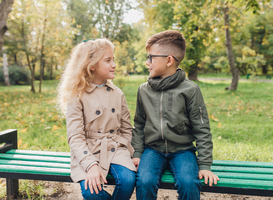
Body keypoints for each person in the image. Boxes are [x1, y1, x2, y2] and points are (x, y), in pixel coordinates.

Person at [131, 30, 219, 200]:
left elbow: (202, 129)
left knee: (189, 183)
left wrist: (205, 165)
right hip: (153, 150)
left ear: (169, 60)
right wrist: (137, 153)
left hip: (183, 150)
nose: (146, 62)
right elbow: (139, 124)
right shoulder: (143, 90)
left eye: (151, 57)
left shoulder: (190, 90)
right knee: (145, 181)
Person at [57, 38, 136, 200]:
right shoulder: (76, 95)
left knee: (128, 180)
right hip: (88, 149)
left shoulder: (117, 93)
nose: (114, 64)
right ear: (91, 65)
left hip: (116, 148)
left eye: (113, 59)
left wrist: (128, 151)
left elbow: (127, 129)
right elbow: (75, 137)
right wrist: (91, 165)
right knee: (91, 191)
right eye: (108, 60)